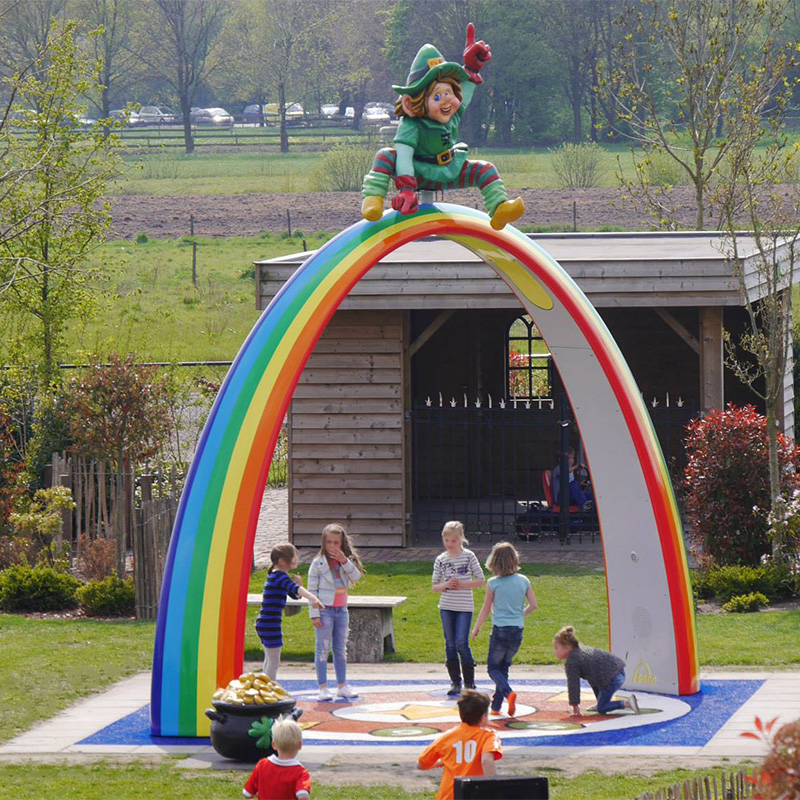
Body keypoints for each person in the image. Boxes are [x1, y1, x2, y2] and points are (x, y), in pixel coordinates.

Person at [360, 23, 524, 231]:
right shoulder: (412, 124)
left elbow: (466, 94)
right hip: (416, 174)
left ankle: (499, 208)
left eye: (450, 93)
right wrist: (408, 189)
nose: (447, 101)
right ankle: (373, 199)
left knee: (485, 169)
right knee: (385, 156)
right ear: (413, 103)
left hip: (447, 169)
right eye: (438, 96)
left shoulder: (451, 115)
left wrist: (472, 68)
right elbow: (403, 155)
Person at [471, 542, 537, 717]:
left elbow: (486, 609)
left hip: (500, 630)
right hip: (517, 630)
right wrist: (520, 615)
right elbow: (534, 606)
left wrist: (476, 628)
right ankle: (496, 706)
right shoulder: (524, 580)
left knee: (493, 668)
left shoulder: (493, 583)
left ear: (494, 562)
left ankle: (508, 693)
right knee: (504, 666)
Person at [308, 523, 363, 701]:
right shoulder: (317, 563)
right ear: (324, 543)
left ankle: (342, 685)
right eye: (329, 542)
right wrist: (314, 614)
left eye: (336, 543)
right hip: (324, 610)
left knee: (340, 650)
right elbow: (311, 590)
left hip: (341, 610)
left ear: (342, 543)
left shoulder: (347, 561)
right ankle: (323, 686)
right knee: (322, 648)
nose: (332, 546)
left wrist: (344, 560)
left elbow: (356, 576)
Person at [256, 544, 325, 681]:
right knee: (273, 662)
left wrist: (300, 587)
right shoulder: (279, 576)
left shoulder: (278, 576)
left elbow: (294, 594)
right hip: (270, 625)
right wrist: (312, 597)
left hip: (266, 623)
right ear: (282, 561)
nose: (296, 560)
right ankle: (269, 689)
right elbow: (294, 589)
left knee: (269, 659)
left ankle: (264, 686)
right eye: (294, 557)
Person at [417, 689, 502, 800]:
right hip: (474, 794)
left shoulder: (448, 736)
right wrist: (492, 789)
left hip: (449, 795)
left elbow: (421, 764)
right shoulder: (489, 735)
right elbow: (486, 760)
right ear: (483, 716)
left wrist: (440, 763)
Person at [432, 520, 485, 696]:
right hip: (447, 606)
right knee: (450, 643)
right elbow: (434, 587)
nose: (449, 544)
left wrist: (463, 584)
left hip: (464, 606)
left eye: (453, 541)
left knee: (462, 642)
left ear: (460, 539)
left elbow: (480, 579)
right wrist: (446, 584)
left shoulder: (468, 556)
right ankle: (455, 682)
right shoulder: (441, 559)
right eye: (446, 540)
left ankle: (470, 682)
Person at [553, 625, 641, 717]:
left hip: (612, 678)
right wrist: (599, 699)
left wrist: (575, 706)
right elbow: (593, 677)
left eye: (556, 648)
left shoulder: (572, 661)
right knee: (601, 699)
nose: (554, 651)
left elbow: (573, 685)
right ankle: (602, 703)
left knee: (601, 708)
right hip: (619, 672)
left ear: (566, 648)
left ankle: (627, 703)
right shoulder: (581, 651)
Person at [242, 717, 311, 800]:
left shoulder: (262, 765)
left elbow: (247, 793)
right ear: (300, 745)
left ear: (274, 744)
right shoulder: (300, 772)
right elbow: (303, 795)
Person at [551, 446, 593, 511]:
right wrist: (576, 466)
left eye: (572, 458)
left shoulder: (571, 471)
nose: (571, 460)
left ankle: (593, 512)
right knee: (573, 484)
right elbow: (563, 474)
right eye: (568, 458)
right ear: (560, 459)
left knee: (590, 496)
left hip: (570, 497)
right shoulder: (558, 469)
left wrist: (580, 484)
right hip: (561, 499)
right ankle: (584, 506)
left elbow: (571, 487)